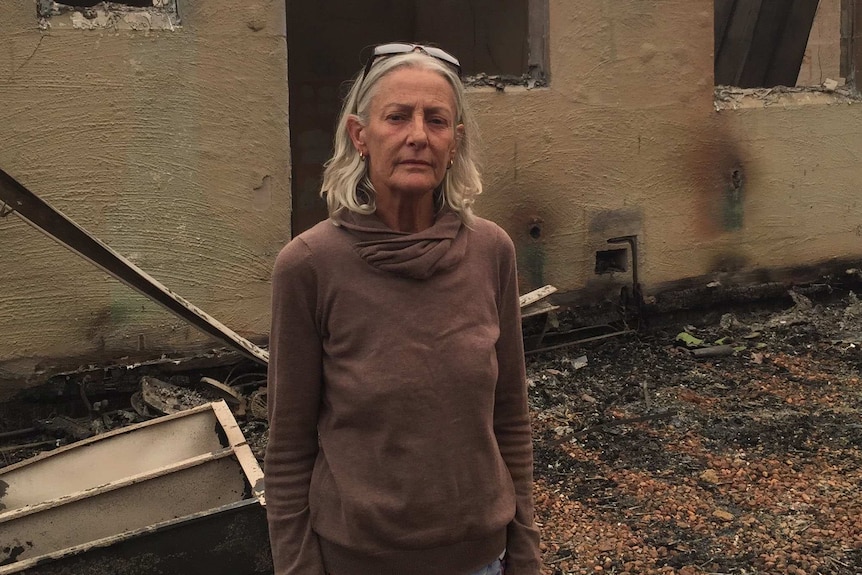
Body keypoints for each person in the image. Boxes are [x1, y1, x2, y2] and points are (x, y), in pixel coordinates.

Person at [265, 42, 541, 575]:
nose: (418, 135)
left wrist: (525, 553)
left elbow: (511, 419)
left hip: (482, 560)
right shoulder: (309, 266)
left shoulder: (491, 252)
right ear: (360, 136)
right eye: (397, 117)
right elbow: (288, 449)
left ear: (455, 142)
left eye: (437, 120)